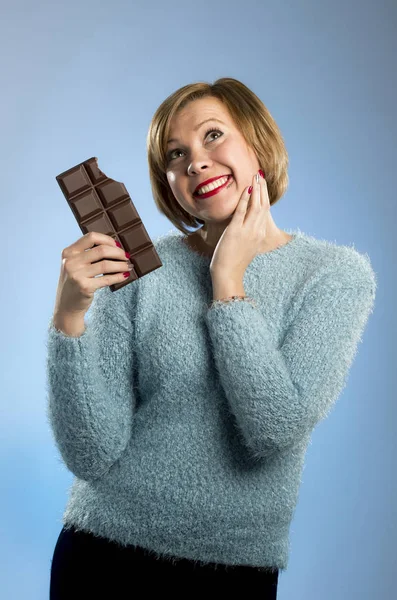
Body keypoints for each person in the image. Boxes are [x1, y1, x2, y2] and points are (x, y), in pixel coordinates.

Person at [47, 77, 377, 598]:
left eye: (213, 136)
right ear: (169, 182)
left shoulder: (334, 275)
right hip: (100, 552)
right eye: (175, 155)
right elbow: (90, 454)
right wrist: (69, 318)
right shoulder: (138, 269)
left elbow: (274, 429)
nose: (194, 162)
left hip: (233, 572)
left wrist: (228, 285)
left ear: (257, 144)